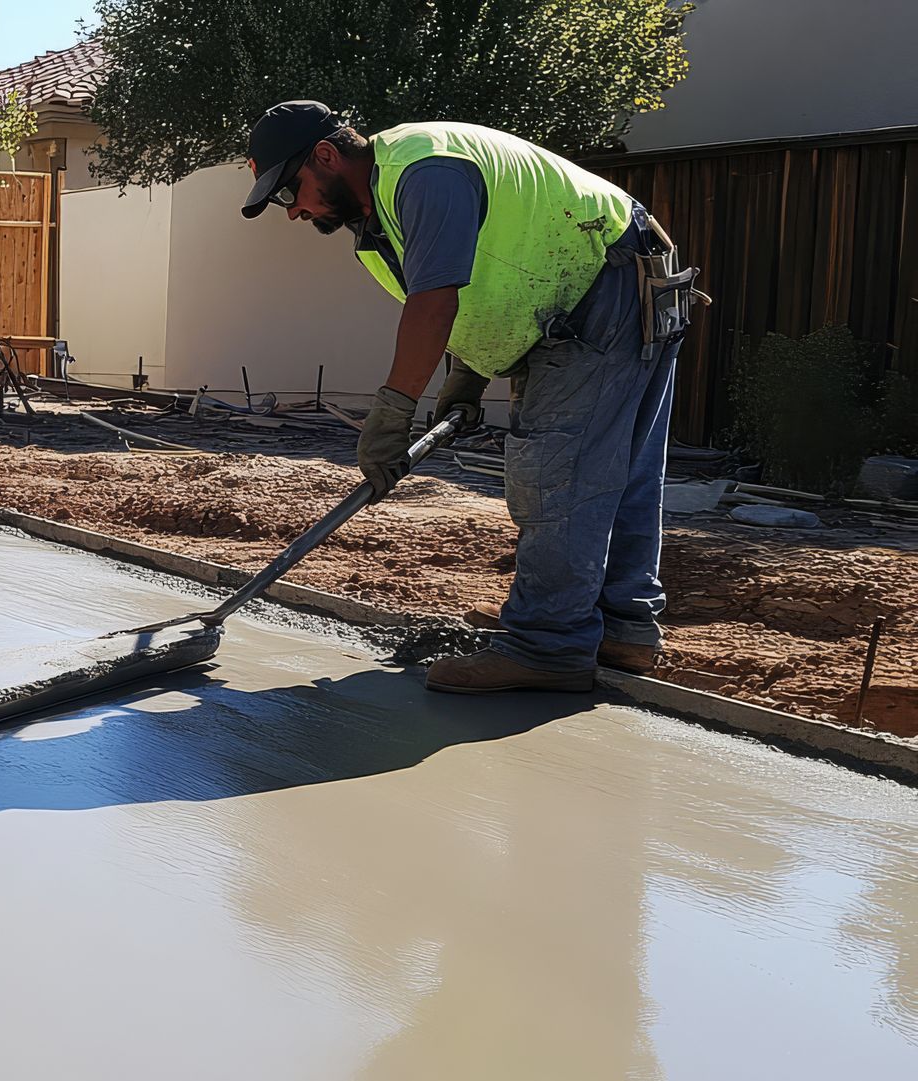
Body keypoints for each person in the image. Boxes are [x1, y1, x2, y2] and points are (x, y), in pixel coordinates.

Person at [241, 101, 702, 694]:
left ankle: (548, 644)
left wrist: (392, 413)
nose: (293, 211)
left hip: (601, 287)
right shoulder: (384, 203)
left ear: (326, 156)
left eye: (290, 191)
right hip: (611, 280)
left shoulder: (425, 172)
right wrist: (470, 372)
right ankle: (620, 627)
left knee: (556, 470)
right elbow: (488, 282)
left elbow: (435, 301)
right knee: (619, 467)